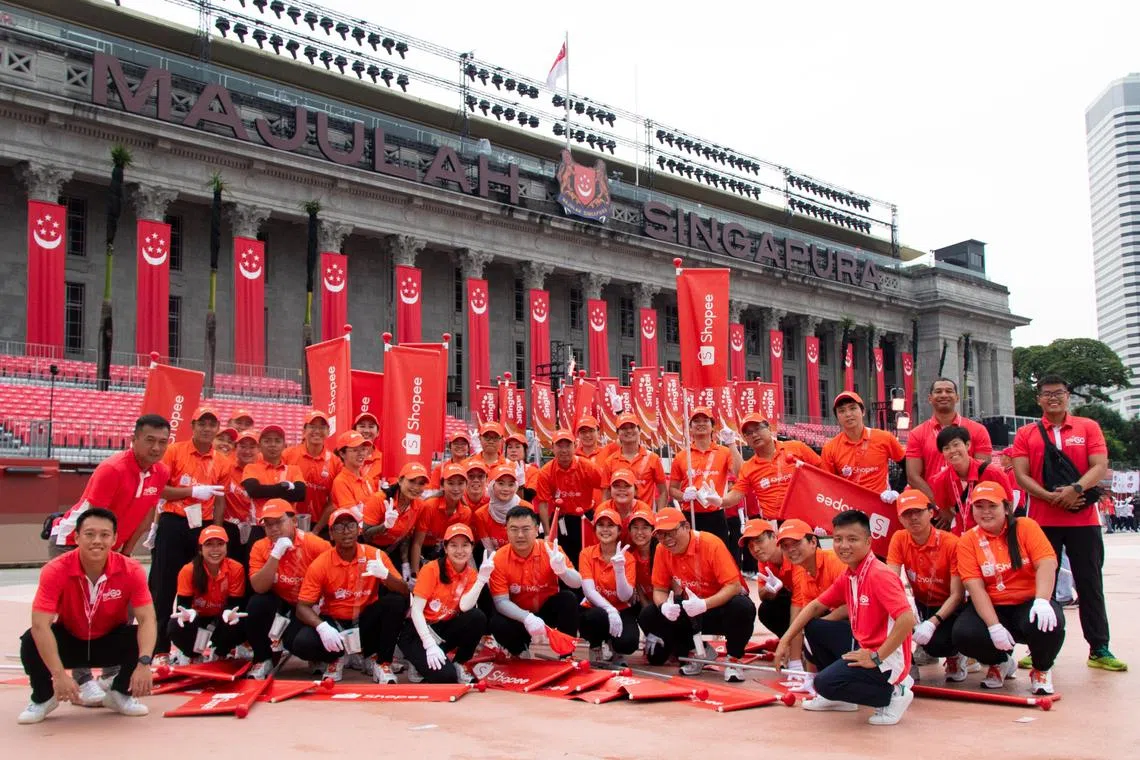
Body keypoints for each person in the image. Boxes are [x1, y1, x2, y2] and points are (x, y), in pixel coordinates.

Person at [1011, 374, 1125, 672]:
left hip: (1084, 520)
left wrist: (1075, 490)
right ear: (1038, 399)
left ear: (1067, 396)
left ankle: (1099, 647)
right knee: (1042, 589)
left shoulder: (1088, 427)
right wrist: (1050, 497)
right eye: (1047, 394)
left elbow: (1099, 466)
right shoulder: (1027, 433)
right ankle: (1040, 648)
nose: (1053, 398)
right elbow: (1022, 476)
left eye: (1058, 393)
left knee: (1090, 584)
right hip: (1042, 521)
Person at [774, 510, 917, 726]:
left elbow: (907, 619)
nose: (843, 545)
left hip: (886, 658)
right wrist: (784, 641)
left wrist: (876, 657)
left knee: (823, 683)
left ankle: (895, 692)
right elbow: (814, 606)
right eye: (838, 539)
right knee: (814, 626)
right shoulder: (851, 574)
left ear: (868, 542)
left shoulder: (879, 574)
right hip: (863, 647)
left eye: (852, 539)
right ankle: (842, 698)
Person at [19, 508, 157, 723]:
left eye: (104, 535)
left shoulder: (131, 569)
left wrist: (144, 664)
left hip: (109, 641)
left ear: (114, 539)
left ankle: (119, 693)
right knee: (30, 641)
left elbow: (147, 619)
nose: (97, 541)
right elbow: (40, 625)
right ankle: (43, 698)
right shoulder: (55, 570)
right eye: (89, 534)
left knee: (141, 636)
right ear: (76, 537)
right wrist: (59, 675)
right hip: (71, 640)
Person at [952, 481, 1066, 694]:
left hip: (1028, 603)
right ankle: (1000, 661)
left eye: (992, 506)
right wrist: (994, 626)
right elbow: (974, 586)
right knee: (964, 634)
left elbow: (1047, 563)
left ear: (1006, 507)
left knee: (1049, 623)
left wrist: (1042, 600)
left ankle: (1041, 668)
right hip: (994, 606)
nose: (986, 512)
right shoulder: (968, 540)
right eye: (979, 506)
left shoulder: (1026, 527)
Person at [637, 507, 755, 683]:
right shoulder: (662, 549)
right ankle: (698, 651)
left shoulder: (710, 543)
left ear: (686, 526)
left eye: (671, 532)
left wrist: (705, 604)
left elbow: (733, 586)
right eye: (661, 535)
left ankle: (734, 658)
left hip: (720, 607)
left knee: (742, 607)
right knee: (649, 615)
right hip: (692, 610)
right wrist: (664, 607)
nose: (667, 539)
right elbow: (660, 589)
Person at [294, 508, 410, 683]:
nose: (346, 531)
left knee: (396, 601)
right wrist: (322, 628)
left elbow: (405, 592)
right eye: (339, 527)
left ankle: (381, 661)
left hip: (365, 621)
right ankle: (336, 657)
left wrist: (385, 575)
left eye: (350, 526)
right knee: (302, 643)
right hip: (336, 624)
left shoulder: (375, 555)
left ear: (359, 529)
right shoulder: (321, 564)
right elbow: (302, 607)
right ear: (331, 534)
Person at [150, 406, 228, 661]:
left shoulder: (222, 461)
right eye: (201, 423)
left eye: (212, 424)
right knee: (163, 587)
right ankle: (159, 648)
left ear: (217, 429)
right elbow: (159, 488)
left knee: (196, 587)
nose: (207, 428)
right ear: (192, 426)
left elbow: (219, 500)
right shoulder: (174, 451)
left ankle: (189, 647)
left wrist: (215, 530)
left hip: (202, 529)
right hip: (175, 522)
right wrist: (191, 492)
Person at [50, 414, 171, 555]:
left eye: (162, 442)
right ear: (134, 440)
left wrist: (126, 553)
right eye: (150, 440)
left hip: (108, 548)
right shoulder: (112, 469)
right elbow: (95, 518)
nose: (156, 448)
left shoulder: (162, 472)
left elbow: (145, 518)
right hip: (72, 542)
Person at [886, 489, 966, 680]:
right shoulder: (899, 538)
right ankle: (907, 662)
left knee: (939, 642)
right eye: (907, 513)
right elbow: (891, 581)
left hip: (950, 605)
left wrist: (932, 623)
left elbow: (957, 594)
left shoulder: (951, 543)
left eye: (918, 512)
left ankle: (955, 654)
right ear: (900, 518)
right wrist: (905, 614)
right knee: (887, 612)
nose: (913, 518)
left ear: (931, 513)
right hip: (922, 604)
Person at [245, 499, 329, 679]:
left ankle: (317, 655)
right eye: (268, 525)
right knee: (256, 604)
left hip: (309, 605)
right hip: (281, 602)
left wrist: (321, 603)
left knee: (301, 644)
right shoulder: (260, 547)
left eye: (279, 522)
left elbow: (334, 576)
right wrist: (275, 555)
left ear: (294, 521)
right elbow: (259, 587)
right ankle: (263, 658)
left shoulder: (316, 545)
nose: (273, 528)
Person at [398, 524, 491, 684]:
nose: (459, 551)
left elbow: (464, 607)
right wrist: (428, 644)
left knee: (477, 617)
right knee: (446, 678)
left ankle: (460, 662)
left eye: (465, 545)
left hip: (443, 629)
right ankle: (417, 661)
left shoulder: (472, 574)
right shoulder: (431, 569)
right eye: (453, 545)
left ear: (472, 547)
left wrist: (481, 580)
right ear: (445, 548)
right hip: (419, 631)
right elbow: (416, 611)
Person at [488, 505, 582, 656]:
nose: (520, 535)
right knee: (497, 622)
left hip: (547, 612)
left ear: (537, 529)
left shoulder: (551, 550)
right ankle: (519, 653)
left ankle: (567, 654)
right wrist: (526, 617)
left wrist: (563, 571)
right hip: (519, 616)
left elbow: (577, 583)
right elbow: (501, 602)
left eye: (526, 529)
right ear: (506, 530)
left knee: (568, 599)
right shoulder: (499, 558)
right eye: (514, 529)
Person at [777, 518, 848, 691]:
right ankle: (814, 678)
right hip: (839, 626)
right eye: (785, 546)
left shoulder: (835, 562)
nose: (791, 549)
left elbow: (854, 605)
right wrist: (785, 641)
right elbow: (808, 613)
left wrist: (822, 625)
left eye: (796, 542)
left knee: (814, 627)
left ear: (813, 541)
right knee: (810, 625)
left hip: (863, 630)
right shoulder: (803, 571)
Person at [723, 412, 822, 523]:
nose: (754, 435)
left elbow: (823, 471)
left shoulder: (797, 448)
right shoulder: (748, 467)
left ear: (769, 428)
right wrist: (719, 501)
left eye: (758, 428)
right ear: (745, 439)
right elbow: (736, 495)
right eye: (749, 433)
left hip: (805, 520)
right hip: (774, 524)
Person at [168, 525, 247, 663]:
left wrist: (230, 613)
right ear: (200, 549)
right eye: (209, 544)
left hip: (220, 620)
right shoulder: (188, 570)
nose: (215, 549)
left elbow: (235, 604)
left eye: (220, 544)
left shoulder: (236, 568)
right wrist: (188, 614)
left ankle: (221, 652)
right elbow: (183, 606)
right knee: (176, 624)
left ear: (226, 547)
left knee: (240, 621)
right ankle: (191, 654)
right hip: (197, 620)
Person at [905, 378, 992, 501]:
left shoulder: (978, 430)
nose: (944, 395)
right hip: (933, 507)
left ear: (957, 397)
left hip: (969, 504)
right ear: (930, 398)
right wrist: (939, 504)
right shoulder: (917, 434)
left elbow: (983, 471)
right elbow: (913, 476)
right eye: (938, 391)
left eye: (949, 391)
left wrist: (964, 503)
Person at [668, 406, 743, 545]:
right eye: (696, 421)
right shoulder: (682, 456)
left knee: (717, 559)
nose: (701, 424)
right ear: (690, 428)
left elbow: (741, 473)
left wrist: (732, 444)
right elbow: (672, 489)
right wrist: (683, 496)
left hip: (716, 516)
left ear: (712, 427)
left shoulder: (724, 452)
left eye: (705, 420)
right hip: (690, 515)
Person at [821, 391, 904, 509]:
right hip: (849, 511)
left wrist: (897, 491)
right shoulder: (830, 448)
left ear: (863, 411)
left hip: (881, 507)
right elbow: (827, 485)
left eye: (853, 408)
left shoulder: (884, 438)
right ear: (837, 417)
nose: (848, 414)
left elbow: (908, 466)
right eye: (842, 411)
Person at [578, 508, 639, 664]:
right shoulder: (586, 553)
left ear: (619, 531)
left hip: (622, 608)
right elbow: (589, 591)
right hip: (594, 609)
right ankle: (596, 645)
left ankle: (615, 648)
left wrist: (619, 569)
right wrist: (609, 609)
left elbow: (625, 596)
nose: (605, 530)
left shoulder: (628, 558)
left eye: (610, 526)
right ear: (595, 529)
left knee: (628, 643)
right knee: (595, 616)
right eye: (601, 525)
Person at [535, 429, 602, 565]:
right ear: (552, 447)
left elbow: (605, 486)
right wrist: (548, 532)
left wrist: (600, 514)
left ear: (575, 446)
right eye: (560, 446)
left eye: (568, 445)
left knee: (588, 555)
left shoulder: (588, 467)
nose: (564, 450)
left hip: (585, 518)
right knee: (564, 557)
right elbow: (543, 503)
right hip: (561, 519)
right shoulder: (545, 472)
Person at [927, 425, 1011, 534]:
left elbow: (1009, 504)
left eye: (956, 445)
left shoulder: (993, 473)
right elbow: (944, 508)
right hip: (962, 538)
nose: (952, 451)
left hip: (992, 535)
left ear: (967, 445)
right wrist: (958, 521)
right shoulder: (940, 480)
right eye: (946, 448)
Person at [362, 461, 427, 580]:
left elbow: (408, 538)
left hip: (394, 551)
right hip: (371, 551)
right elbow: (366, 535)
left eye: (421, 483)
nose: (416, 488)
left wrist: (409, 567)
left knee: (402, 588)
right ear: (400, 480)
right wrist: (385, 526)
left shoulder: (419, 505)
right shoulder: (379, 499)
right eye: (411, 481)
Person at [283, 410, 342, 531]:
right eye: (312, 426)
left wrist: (316, 530)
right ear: (304, 431)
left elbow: (333, 502)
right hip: (288, 522)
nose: (317, 431)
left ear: (328, 432)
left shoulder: (336, 463)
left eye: (322, 427)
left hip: (320, 525)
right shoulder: (288, 455)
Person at [410, 461, 473, 571]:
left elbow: (461, 546)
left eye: (460, 483)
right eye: (451, 483)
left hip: (445, 552)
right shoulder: (430, 506)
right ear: (442, 485)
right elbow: (417, 544)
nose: (456, 488)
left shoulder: (466, 512)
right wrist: (415, 574)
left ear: (466, 485)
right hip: (422, 550)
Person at [599, 414, 668, 510]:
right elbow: (606, 495)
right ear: (618, 433)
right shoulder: (609, 462)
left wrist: (660, 515)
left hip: (644, 520)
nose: (628, 431)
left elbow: (663, 491)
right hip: (619, 519)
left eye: (632, 427)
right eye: (623, 428)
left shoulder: (653, 458)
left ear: (639, 430)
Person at [739, 519, 795, 637]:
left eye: (759, 541)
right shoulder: (764, 560)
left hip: (817, 602)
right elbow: (762, 595)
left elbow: (804, 601)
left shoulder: (794, 554)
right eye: (750, 546)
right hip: (796, 600)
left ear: (774, 537)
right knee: (766, 610)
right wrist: (770, 590)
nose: (756, 549)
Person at [241, 425, 306, 520]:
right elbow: (254, 491)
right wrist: (284, 488)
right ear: (259, 446)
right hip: (259, 525)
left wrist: (265, 491)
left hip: (287, 525)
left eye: (277, 441)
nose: (273, 445)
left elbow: (300, 494)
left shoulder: (294, 469)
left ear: (285, 446)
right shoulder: (251, 468)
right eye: (267, 441)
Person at [221, 428, 260, 568]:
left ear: (258, 449)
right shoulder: (226, 467)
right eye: (242, 446)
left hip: (256, 528)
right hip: (230, 527)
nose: (247, 451)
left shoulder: (263, 469)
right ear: (235, 448)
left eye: (252, 447)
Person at [330, 431, 376, 520]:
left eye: (363, 449)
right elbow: (355, 516)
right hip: (353, 531)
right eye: (355, 450)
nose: (361, 454)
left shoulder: (368, 479)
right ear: (342, 454)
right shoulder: (340, 482)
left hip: (370, 530)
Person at [627, 508, 656, 606]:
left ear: (653, 531)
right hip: (649, 608)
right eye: (635, 527)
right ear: (629, 531)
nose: (639, 532)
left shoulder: (662, 553)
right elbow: (638, 588)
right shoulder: (630, 558)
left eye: (645, 527)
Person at [428, 430, 471, 495]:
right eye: (456, 443)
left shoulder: (475, 466)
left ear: (468, 447)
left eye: (463, 444)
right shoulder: (440, 468)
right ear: (450, 446)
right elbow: (432, 492)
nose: (459, 446)